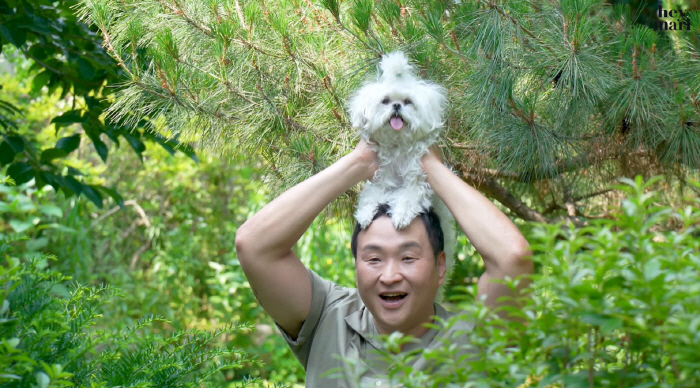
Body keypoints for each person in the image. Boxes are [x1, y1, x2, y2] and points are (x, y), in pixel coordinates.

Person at [234, 139, 532, 387]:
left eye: (408, 257)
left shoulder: (476, 339)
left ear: (440, 268)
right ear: (356, 265)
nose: (389, 275)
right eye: (374, 258)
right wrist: (362, 161)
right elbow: (255, 246)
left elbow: (512, 258)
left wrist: (431, 167)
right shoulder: (327, 317)